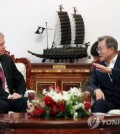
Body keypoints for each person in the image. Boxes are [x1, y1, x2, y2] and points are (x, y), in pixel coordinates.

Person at [89, 35, 120, 113]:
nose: (98, 52)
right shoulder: (98, 66)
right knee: (98, 104)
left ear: (111, 49)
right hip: (109, 103)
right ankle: (98, 125)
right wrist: (96, 89)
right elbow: (90, 82)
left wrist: (110, 71)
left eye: (100, 49)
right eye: (97, 49)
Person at [0, 32, 28, 113]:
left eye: (4, 43)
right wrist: (9, 96)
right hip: (4, 98)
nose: (4, 47)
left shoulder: (7, 60)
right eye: (1, 44)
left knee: (27, 103)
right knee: (3, 106)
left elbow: (20, 80)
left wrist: (19, 94)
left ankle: (25, 126)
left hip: (10, 98)